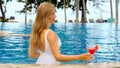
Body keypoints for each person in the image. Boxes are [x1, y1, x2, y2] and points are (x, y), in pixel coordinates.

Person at [28, 2, 93, 64]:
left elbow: (32, 54)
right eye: (53, 14)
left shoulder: (36, 33)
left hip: (40, 63)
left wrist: (45, 55)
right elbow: (58, 57)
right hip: (51, 65)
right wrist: (79, 57)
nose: (55, 16)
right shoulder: (49, 33)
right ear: (47, 16)